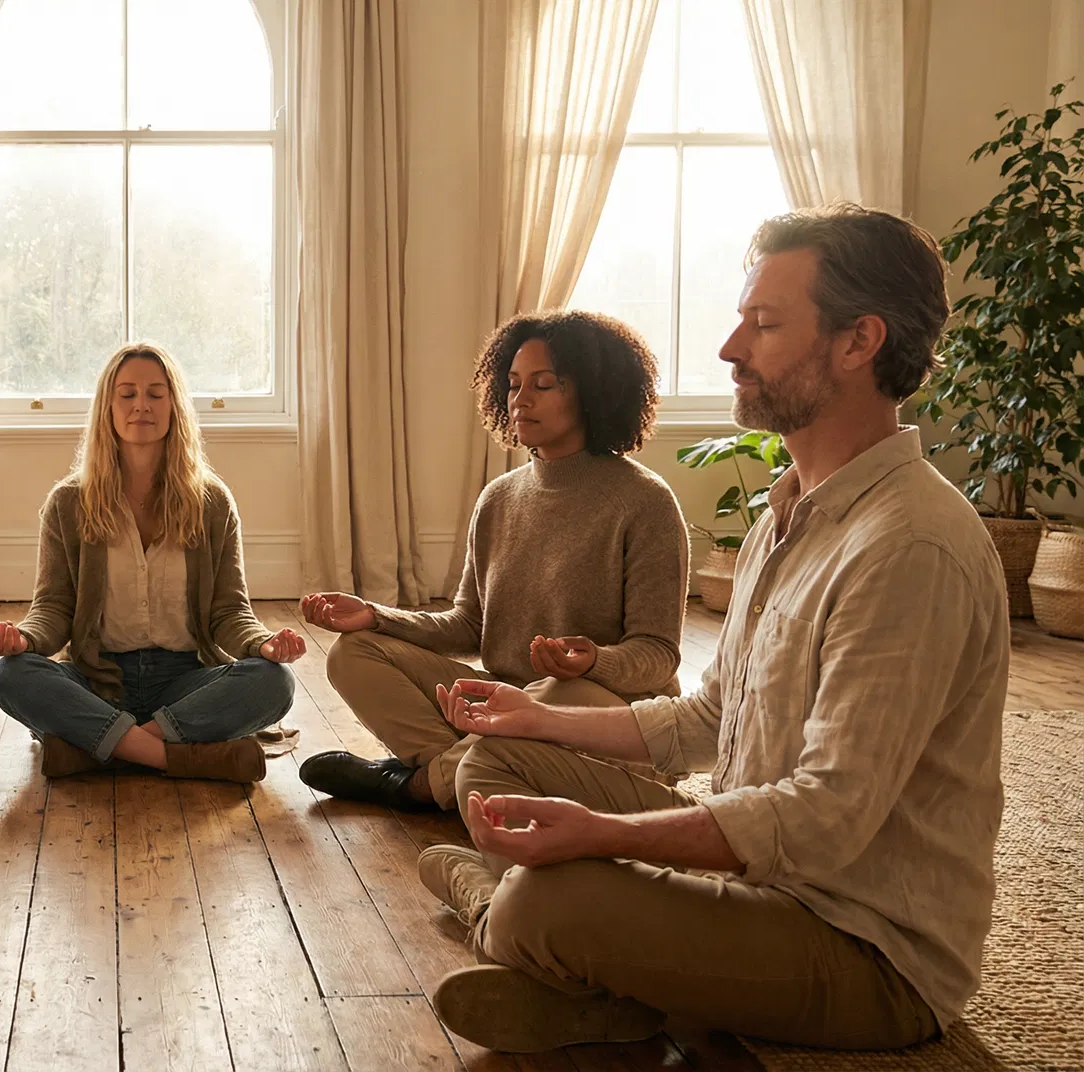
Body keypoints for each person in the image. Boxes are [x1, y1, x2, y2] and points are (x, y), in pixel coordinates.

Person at [424, 205, 1008, 1054]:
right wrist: (534, 717)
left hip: (863, 947)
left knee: (542, 900)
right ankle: (605, 974)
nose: (732, 348)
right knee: (499, 758)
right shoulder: (788, 513)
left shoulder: (910, 546)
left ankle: (515, 919)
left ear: (859, 342)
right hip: (763, 876)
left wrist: (605, 837)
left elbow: (827, 818)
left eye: (763, 324)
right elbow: (708, 719)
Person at [299, 311, 687, 814]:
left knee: (559, 689)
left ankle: (422, 786)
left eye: (544, 385)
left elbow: (658, 655)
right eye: (513, 383)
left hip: (604, 716)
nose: (520, 399)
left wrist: (594, 661)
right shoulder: (500, 498)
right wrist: (376, 617)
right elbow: (468, 625)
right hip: (508, 704)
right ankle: (467, 778)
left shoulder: (645, 502)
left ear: (594, 391)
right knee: (354, 653)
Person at [0, 342, 304, 782]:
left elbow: (230, 611)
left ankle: (104, 749)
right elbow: (54, 608)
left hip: (183, 682)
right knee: (10, 675)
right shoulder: (68, 503)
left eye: (156, 393)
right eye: (128, 393)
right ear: (108, 407)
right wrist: (23, 640)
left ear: (175, 406)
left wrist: (263, 644)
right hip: (99, 680)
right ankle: (179, 757)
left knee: (275, 682)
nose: (142, 406)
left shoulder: (211, 503)